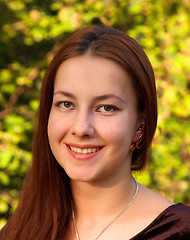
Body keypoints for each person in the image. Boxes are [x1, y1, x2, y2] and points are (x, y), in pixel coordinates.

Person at [1, 25, 190, 240]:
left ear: (141, 124)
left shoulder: (179, 231)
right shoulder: (19, 231)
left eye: (106, 108)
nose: (81, 128)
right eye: (65, 104)